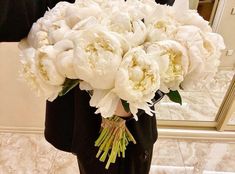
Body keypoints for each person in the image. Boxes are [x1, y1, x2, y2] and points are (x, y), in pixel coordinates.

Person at [0, 0, 174, 173]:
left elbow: (162, 13)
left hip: (137, 83)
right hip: (81, 101)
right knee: (92, 154)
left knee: (133, 156)